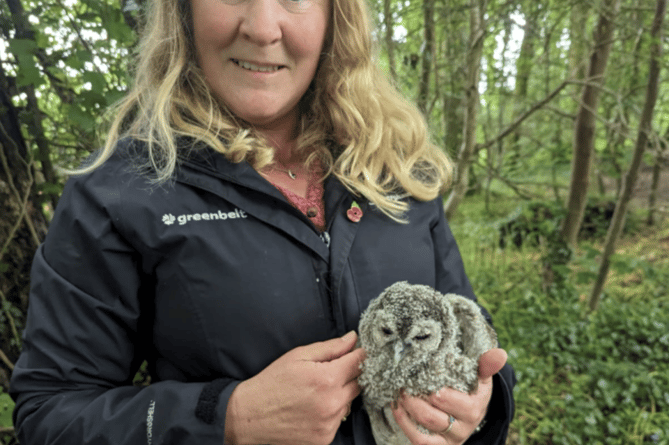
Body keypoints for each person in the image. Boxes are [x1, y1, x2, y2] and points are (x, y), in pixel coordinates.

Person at [10, 0, 516, 443]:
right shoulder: (118, 191)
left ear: (334, 16)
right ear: (182, 10)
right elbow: (50, 414)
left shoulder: (395, 165)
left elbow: (473, 335)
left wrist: (482, 408)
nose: (263, 27)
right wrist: (227, 418)